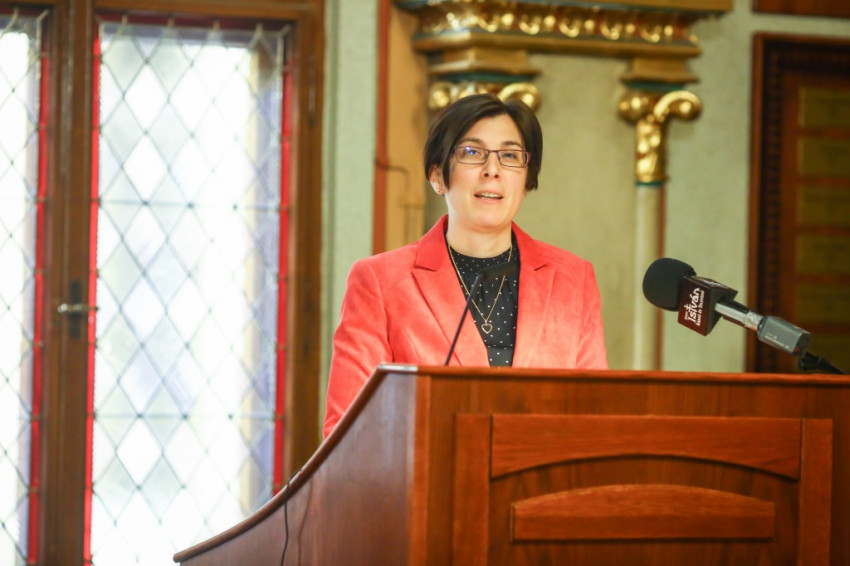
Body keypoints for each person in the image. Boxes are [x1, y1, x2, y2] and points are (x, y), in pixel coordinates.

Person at [323, 93, 607, 438]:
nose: (492, 171)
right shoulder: (379, 282)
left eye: (509, 156)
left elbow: (596, 419)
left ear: (526, 181)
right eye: (472, 153)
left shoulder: (573, 280)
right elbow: (346, 432)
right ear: (437, 176)